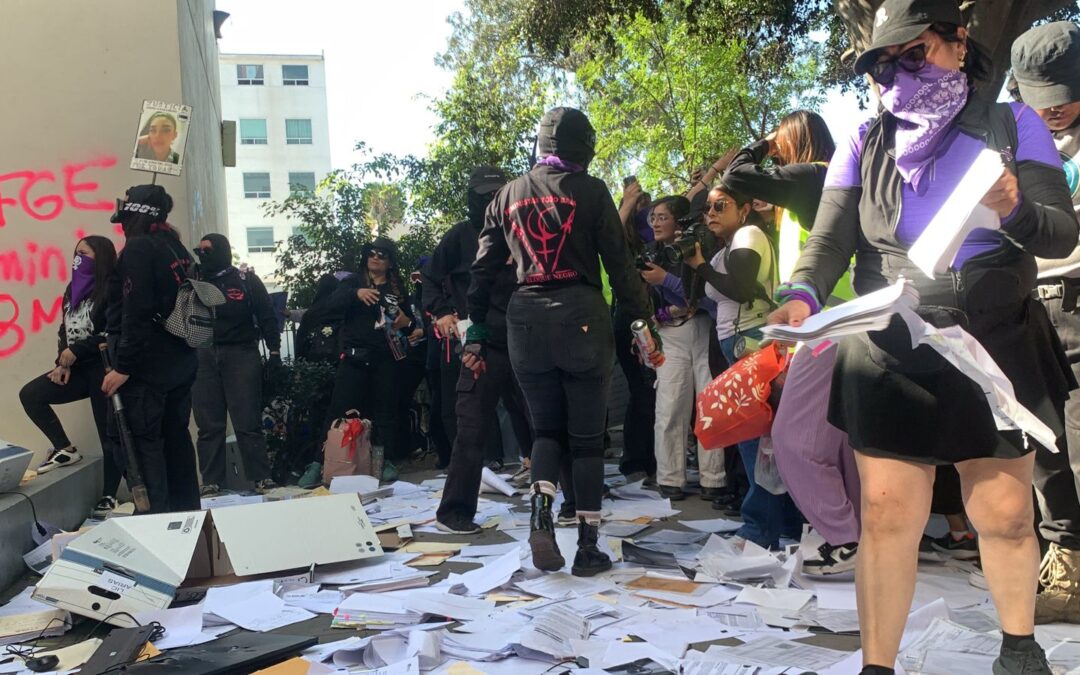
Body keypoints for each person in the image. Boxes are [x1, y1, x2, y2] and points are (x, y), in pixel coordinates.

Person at [769, 1, 1079, 670]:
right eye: (884, 63)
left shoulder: (1012, 121)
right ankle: (877, 664)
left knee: (1004, 513)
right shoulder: (863, 139)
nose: (897, 75)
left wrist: (1014, 206)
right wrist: (800, 295)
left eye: (914, 55)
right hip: (893, 345)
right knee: (886, 516)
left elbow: (1059, 231)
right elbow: (827, 242)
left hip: (994, 339)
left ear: (957, 43)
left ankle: (1019, 650)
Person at [467, 106, 661, 577]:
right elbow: (619, 265)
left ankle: (540, 519)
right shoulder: (591, 192)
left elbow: (482, 270)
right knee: (588, 439)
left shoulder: (507, 194)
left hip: (524, 322)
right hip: (582, 318)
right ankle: (588, 548)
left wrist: (477, 326)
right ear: (585, 147)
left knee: (546, 431)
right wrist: (641, 321)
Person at [723, 110, 861, 572]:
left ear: (794, 139)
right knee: (841, 441)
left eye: (781, 141)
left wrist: (760, 144)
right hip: (838, 324)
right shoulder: (825, 185)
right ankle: (854, 534)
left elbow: (735, 177)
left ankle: (844, 535)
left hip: (825, 330)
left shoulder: (810, 179)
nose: (775, 151)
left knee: (791, 439)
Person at [687, 184, 802, 550]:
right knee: (754, 438)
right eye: (708, 208)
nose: (711, 214)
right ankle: (783, 524)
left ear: (746, 208)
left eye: (720, 205)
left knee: (756, 440)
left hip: (751, 340)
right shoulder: (727, 246)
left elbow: (740, 288)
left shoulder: (749, 235)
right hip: (737, 343)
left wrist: (701, 266)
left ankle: (760, 527)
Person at [1013, 21, 1080, 625]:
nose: (1053, 109)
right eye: (1040, 99)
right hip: (1033, 305)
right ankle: (1063, 561)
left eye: (1064, 94)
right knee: (1044, 443)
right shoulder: (1020, 143)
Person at [102, 184, 200, 513]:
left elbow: (136, 310)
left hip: (146, 369)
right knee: (175, 441)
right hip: (178, 362)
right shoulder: (175, 246)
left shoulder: (140, 249)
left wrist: (123, 367)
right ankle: (187, 521)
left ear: (139, 211)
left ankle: (160, 525)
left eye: (127, 202)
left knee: (140, 448)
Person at [19, 236, 122, 518]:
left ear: (99, 257)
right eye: (75, 253)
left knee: (108, 434)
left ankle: (110, 494)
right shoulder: (72, 290)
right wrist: (61, 361)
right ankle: (64, 448)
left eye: (84, 253)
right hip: (76, 369)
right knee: (31, 394)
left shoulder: (112, 288)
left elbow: (113, 332)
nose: (77, 259)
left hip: (102, 368)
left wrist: (78, 349)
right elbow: (65, 328)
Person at [436, 254, 532, 534]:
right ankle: (454, 510)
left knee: (546, 419)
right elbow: (434, 275)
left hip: (526, 339)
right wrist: (442, 310)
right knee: (472, 427)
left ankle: (576, 499)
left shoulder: (531, 228)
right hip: (483, 347)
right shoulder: (467, 237)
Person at [638, 196, 726, 501]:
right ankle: (670, 478)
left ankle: (714, 479)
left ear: (679, 222)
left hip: (704, 330)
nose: (656, 223)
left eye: (663, 217)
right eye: (652, 218)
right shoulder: (650, 253)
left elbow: (707, 297)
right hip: (668, 335)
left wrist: (668, 282)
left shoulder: (697, 248)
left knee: (709, 405)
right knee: (670, 406)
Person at [422, 167, 510, 468]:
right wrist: (443, 312)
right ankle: (472, 465)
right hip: (469, 330)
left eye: (498, 196)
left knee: (520, 399)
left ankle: (525, 461)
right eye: (486, 197)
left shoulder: (520, 230)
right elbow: (430, 277)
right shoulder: (458, 236)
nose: (492, 202)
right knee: (466, 399)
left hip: (515, 325)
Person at [191, 233, 281, 494]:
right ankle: (211, 481)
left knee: (247, 422)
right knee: (208, 425)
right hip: (203, 354)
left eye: (208, 250)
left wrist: (274, 351)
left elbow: (266, 315)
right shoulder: (194, 281)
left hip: (240, 353)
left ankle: (261, 477)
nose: (202, 256)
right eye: (199, 251)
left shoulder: (244, 280)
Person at [323, 237, 416, 479]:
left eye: (382, 254)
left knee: (385, 411)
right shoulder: (353, 281)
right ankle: (323, 460)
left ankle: (382, 462)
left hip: (386, 358)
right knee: (339, 410)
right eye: (372, 253)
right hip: (354, 357)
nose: (376, 257)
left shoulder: (396, 289)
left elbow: (410, 323)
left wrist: (408, 323)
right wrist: (356, 293)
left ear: (390, 262)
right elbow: (329, 305)